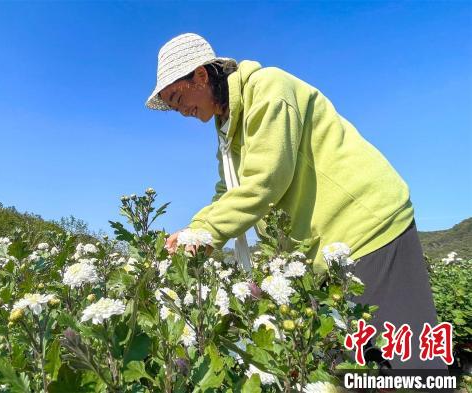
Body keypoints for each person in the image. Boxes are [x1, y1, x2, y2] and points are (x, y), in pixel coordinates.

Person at [148, 33, 445, 371]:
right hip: (325, 250)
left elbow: (266, 182)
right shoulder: (227, 128)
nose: (181, 111)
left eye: (177, 97)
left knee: (408, 369)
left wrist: (204, 235)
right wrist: (193, 231)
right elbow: (230, 190)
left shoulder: (268, 89)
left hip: (368, 227)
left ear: (200, 76)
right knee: (354, 370)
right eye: (172, 107)